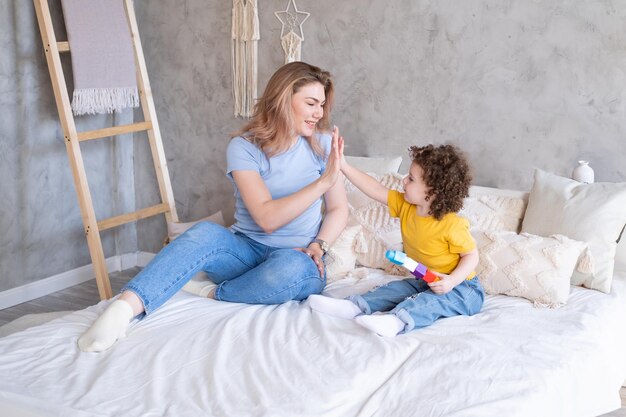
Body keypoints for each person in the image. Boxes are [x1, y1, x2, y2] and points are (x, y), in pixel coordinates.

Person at [78, 62, 349, 352]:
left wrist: (320, 245)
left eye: (321, 105)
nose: (319, 113)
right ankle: (122, 310)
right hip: (245, 252)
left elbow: (337, 209)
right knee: (205, 233)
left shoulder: (322, 145)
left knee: (292, 269)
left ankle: (213, 292)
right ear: (284, 99)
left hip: (296, 257)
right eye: (311, 103)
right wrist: (322, 183)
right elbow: (266, 218)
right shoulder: (244, 147)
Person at [309, 143, 484, 337]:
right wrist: (344, 165)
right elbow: (375, 189)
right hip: (427, 280)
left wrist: (452, 281)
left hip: (463, 289)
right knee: (395, 289)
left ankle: (397, 321)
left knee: (427, 303)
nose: (403, 181)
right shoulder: (406, 206)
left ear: (431, 192)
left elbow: (471, 256)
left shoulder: (451, 223)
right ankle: (353, 306)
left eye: (411, 179)